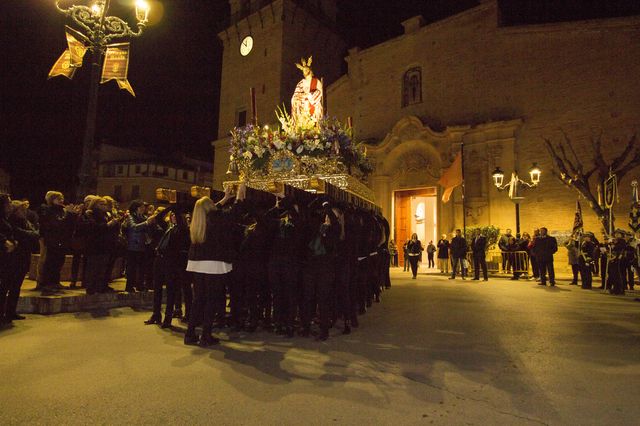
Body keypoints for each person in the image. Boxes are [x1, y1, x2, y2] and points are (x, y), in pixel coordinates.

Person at [185, 185, 244, 347]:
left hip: (197, 263)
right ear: (210, 208)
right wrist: (239, 196)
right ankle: (206, 335)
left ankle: (190, 334)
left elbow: (212, 210)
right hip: (214, 264)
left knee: (198, 300)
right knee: (211, 300)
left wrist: (225, 199)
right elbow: (234, 214)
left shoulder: (198, 220)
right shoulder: (215, 219)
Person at [145, 208, 191, 328]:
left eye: (176, 215)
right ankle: (156, 314)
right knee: (157, 288)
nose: (173, 217)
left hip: (172, 262)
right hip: (160, 259)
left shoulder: (182, 229)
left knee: (171, 290)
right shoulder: (168, 227)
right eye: (172, 215)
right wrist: (170, 207)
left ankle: (168, 317)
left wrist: (176, 210)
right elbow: (158, 218)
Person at [38, 191, 78, 295]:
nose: (61, 200)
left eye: (62, 197)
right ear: (51, 199)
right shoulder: (48, 210)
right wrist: (69, 214)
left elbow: (69, 226)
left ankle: (55, 282)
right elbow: (57, 224)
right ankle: (46, 284)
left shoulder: (62, 210)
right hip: (53, 240)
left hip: (62, 240)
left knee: (59, 262)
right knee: (51, 262)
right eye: (58, 198)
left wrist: (73, 214)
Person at [82, 197, 122, 295]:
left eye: (104, 204)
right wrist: (108, 225)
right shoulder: (90, 214)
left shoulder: (106, 214)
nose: (104, 206)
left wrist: (116, 222)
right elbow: (93, 228)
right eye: (101, 204)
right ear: (95, 204)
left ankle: (100, 287)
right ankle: (91, 288)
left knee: (102, 267)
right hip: (95, 245)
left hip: (106, 245)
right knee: (93, 267)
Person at [122, 200, 156, 293]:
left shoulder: (144, 217)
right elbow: (134, 227)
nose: (143, 208)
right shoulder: (131, 217)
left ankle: (140, 285)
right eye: (141, 207)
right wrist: (146, 223)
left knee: (142, 267)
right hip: (133, 245)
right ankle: (129, 286)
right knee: (132, 267)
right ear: (136, 208)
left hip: (143, 245)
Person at [291, 56, 323, 124]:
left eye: (306, 70)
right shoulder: (301, 83)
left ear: (310, 70)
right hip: (303, 108)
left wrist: (309, 96)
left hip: (314, 106)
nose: (304, 71)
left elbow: (320, 92)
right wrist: (302, 97)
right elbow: (295, 95)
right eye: (303, 70)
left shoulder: (316, 81)